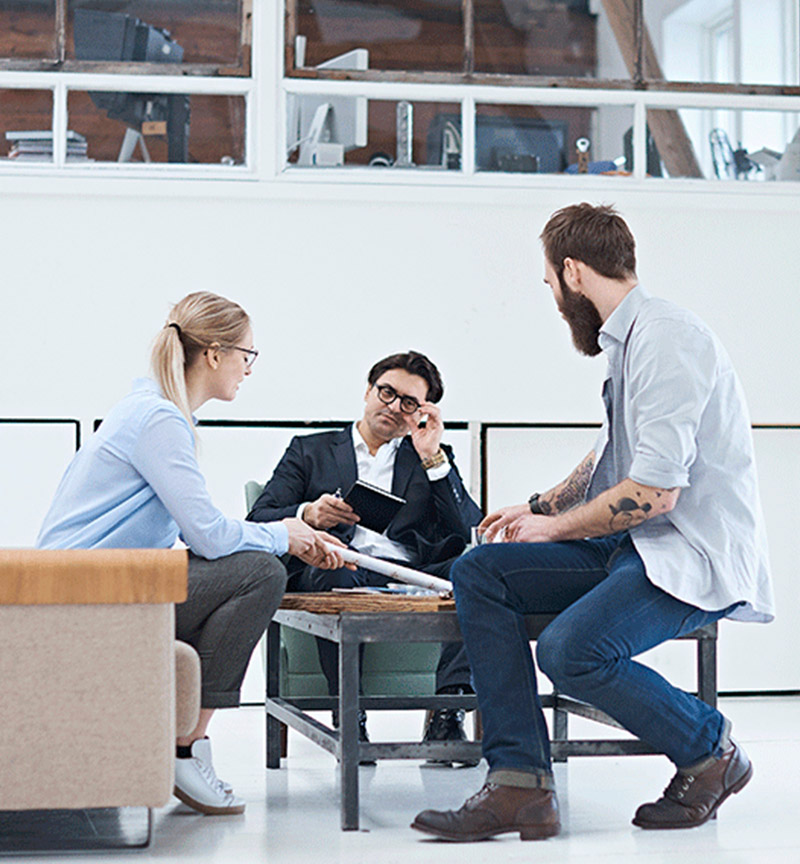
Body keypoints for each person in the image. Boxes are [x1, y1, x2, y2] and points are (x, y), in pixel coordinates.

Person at [412, 203, 775, 841]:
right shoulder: (628, 343)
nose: (554, 298)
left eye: (550, 282)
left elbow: (656, 492)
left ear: (573, 271)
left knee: (570, 650)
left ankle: (711, 750)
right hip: (631, 546)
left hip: (688, 552)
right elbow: (609, 456)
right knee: (480, 570)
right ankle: (519, 782)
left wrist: (554, 530)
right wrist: (540, 507)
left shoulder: (668, 338)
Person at [37, 291, 349, 816]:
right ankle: (185, 747)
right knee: (259, 572)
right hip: (86, 598)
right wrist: (284, 534)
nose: (249, 369)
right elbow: (209, 537)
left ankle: (183, 740)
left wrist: (289, 533)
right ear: (214, 354)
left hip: (95, 585)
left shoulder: (152, 412)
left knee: (246, 568)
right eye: (247, 355)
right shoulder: (159, 419)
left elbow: (196, 535)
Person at [247, 351, 483, 758]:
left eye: (408, 403)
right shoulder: (310, 450)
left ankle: (448, 711)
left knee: (478, 570)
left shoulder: (428, 456)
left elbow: (467, 528)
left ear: (421, 412)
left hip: (410, 572)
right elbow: (258, 518)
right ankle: (349, 715)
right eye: (386, 392)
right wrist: (308, 514)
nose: (393, 407)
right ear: (368, 391)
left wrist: (432, 456)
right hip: (338, 567)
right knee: (335, 573)